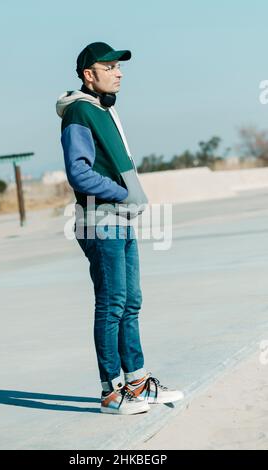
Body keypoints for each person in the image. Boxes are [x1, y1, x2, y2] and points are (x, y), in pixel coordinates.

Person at [56, 42, 184, 415]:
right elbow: (78, 171)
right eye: (109, 66)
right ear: (88, 74)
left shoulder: (102, 110)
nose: (119, 72)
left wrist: (126, 200)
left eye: (118, 66)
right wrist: (122, 193)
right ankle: (111, 393)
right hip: (100, 222)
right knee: (111, 305)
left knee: (130, 302)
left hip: (118, 220)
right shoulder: (80, 112)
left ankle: (138, 383)